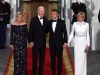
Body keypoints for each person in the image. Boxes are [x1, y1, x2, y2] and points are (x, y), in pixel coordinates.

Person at [28, 6, 48, 75]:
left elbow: (47, 30)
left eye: (43, 11)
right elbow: (30, 32)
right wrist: (30, 41)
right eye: (40, 11)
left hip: (43, 43)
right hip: (35, 43)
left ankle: (40, 73)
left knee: (42, 60)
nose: (42, 12)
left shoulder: (45, 19)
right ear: (38, 11)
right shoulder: (33, 19)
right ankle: (34, 73)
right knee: (35, 60)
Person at [48, 9, 68, 75]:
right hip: (51, 43)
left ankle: (59, 72)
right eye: (52, 14)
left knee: (59, 59)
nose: (53, 15)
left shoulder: (62, 22)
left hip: (59, 43)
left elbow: (65, 32)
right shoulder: (49, 22)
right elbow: (45, 31)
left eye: (54, 14)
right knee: (52, 59)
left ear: (57, 15)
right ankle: (53, 72)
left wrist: (65, 42)